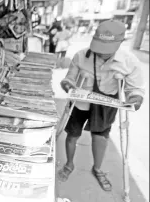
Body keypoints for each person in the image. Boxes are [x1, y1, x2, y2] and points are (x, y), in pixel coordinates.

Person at [57, 20, 145, 191]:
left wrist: (135, 100)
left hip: (107, 104)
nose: (102, 53)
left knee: (100, 137)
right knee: (72, 135)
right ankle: (69, 164)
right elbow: (68, 79)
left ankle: (97, 169)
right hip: (81, 102)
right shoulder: (82, 55)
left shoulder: (130, 62)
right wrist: (68, 86)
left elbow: (136, 90)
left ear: (120, 43)